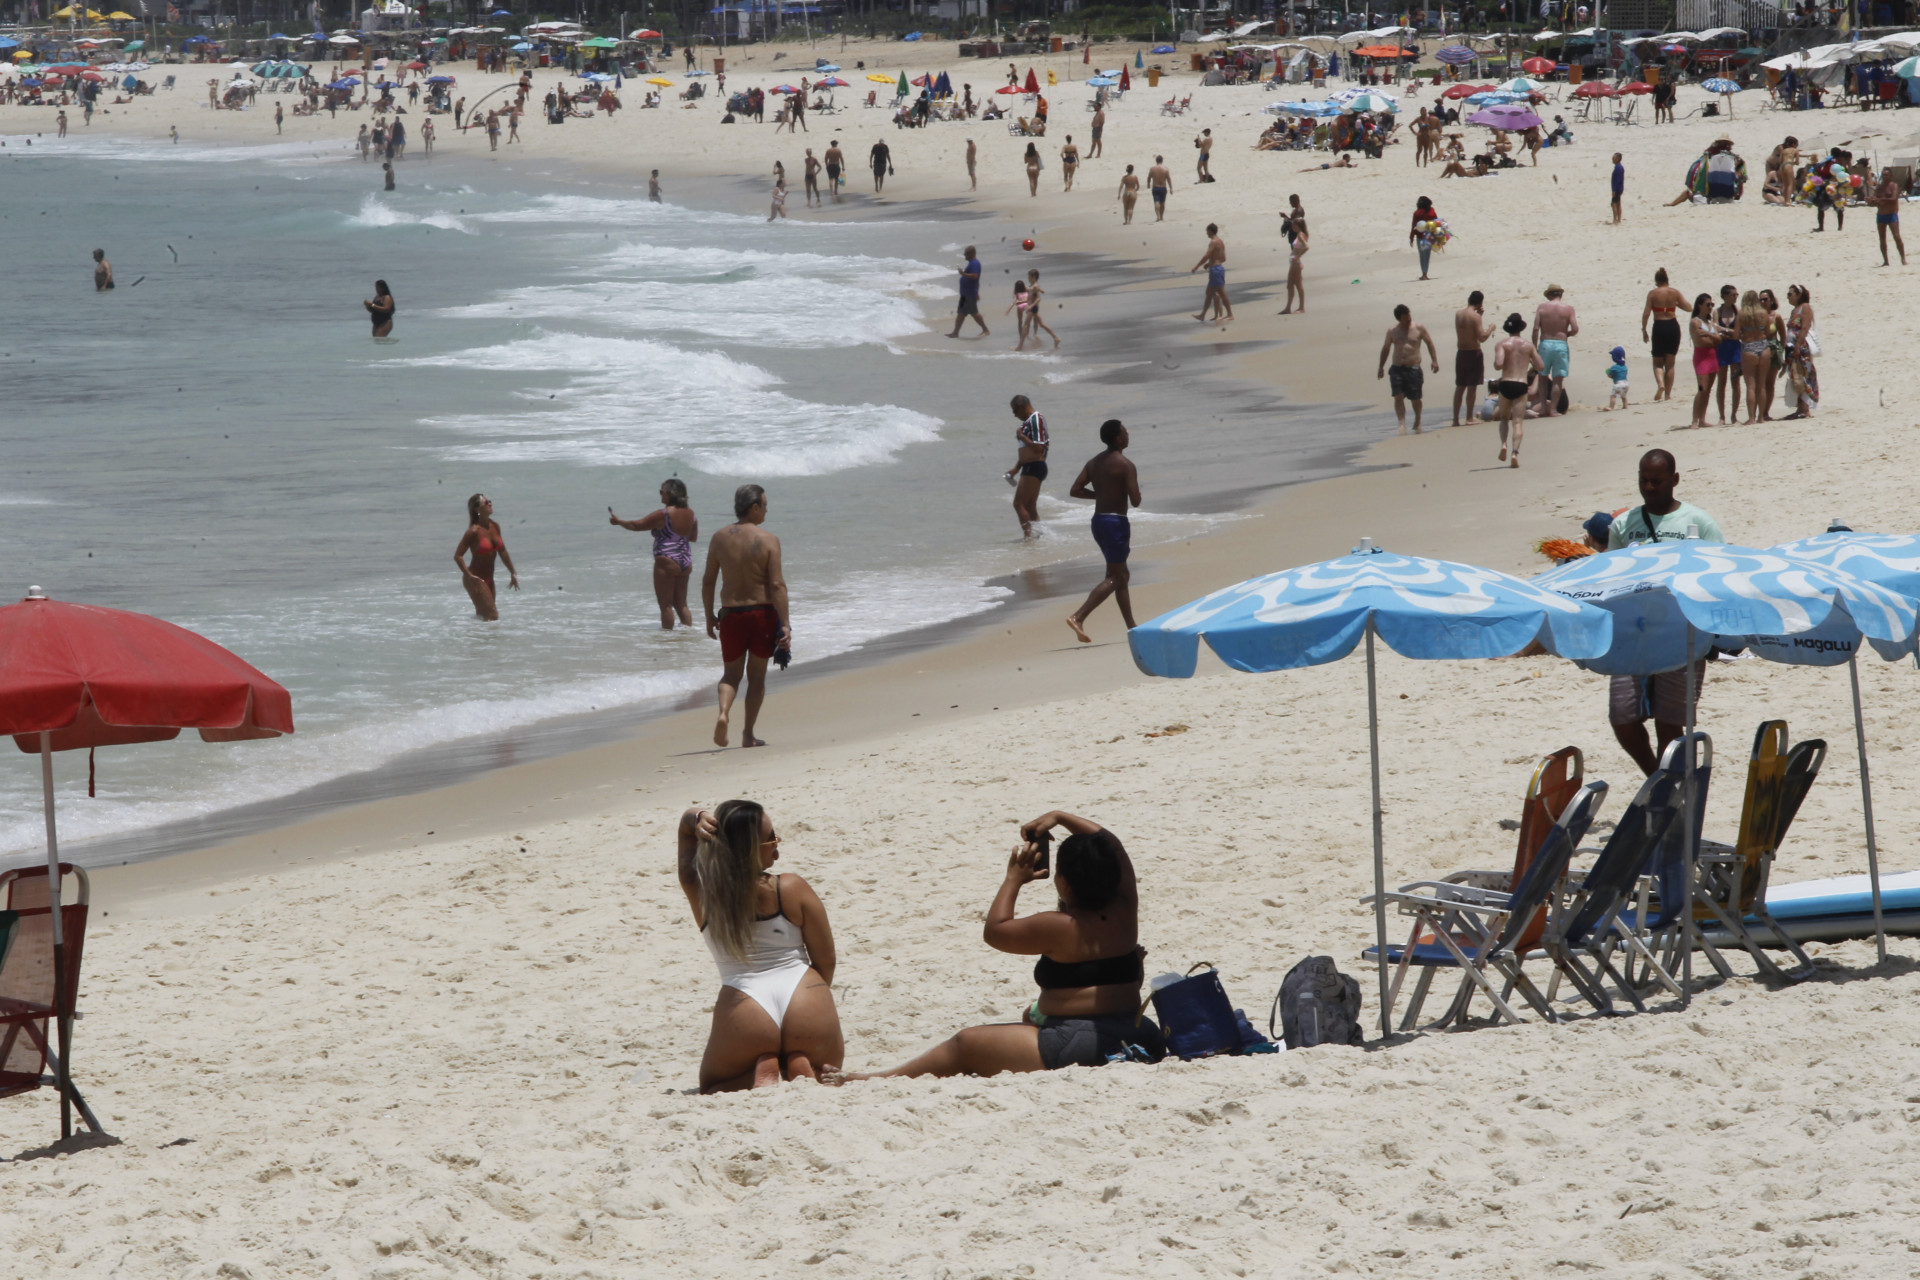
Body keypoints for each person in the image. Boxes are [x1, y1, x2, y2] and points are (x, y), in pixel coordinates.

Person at [830, 812, 1163, 1080]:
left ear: (1063, 881)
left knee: (966, 1043)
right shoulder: (1125, 907)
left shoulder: (1059, 925)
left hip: (1080, 1044)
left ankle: (876, 1078)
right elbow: (1111, 844)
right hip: (1137, 1032)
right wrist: (1060, 817)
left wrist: (1013, 880)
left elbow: (996, 931)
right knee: (1026, 1017)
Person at [676, 800, 842, 1091]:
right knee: (824, 1074)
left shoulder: (703, 893)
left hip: (745, 1003)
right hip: (803, 995)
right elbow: (826, 959)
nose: (778, 841)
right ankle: (799, 1064)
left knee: (715, 1085)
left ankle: (762, 1070)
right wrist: (814, 999)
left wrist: (696, 817)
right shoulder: (790, 888)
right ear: (749, 848)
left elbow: (686, 834)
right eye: (769, 837)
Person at [1605, 449, 1723, 775]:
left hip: (1680, 634)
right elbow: (1609, 578)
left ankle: (1671, 789)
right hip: (1633, 635)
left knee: (1670, 726)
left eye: (1657, 481)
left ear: (1675, 480)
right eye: (1643, 481)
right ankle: (1656, 777)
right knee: (1623, 717)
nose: (1649, 487)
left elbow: (1720, 576)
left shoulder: (1699, 522)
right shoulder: (1624, 524)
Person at [702, 484, 789, 749]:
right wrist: (784, 624)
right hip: (761, 615)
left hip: (731, 616)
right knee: (757, 677)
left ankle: (723, 713)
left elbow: (708, 582)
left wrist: (708, 616)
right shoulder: (768, 539)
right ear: (754, 507)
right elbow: (776, 586)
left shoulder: (719, 538)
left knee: (730, 675)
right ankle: (748, 734)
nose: (766, 509)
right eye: (764, 504)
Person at [1064, 420, 1140, 643]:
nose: (1128, 435)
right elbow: (1136, 501)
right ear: (1118, 439)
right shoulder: (1126, 465)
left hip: (1098, 521)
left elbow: (1075, 490)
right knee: (1116, 577)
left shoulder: (1093, 463)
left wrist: (1102, 495)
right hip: (1116, 523)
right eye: (1125, 432)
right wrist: (1120, 491)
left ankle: (1132, 627)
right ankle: (1078, 617)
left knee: (1122, 575)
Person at [612, 479, 699, 629]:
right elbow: (693, 538)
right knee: (682, 605)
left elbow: (636, 526)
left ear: (670, 494)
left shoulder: (664, 514)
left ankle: (667, 642)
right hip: (685, 560)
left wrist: (619, 522)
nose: (660, 494)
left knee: (666, 605)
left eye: (662, 491)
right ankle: (686, 639)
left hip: (666, 560)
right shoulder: (692, 515)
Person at [454, 493, 519, 621]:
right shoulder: (473, 532)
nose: (490, 504)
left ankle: (478, 638)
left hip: (489, 578)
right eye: (486, 503)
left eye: (490, 501)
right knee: (492, 616)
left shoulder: (495, 526)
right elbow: (458, 556)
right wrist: (468, 575)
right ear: (477, 509)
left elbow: (503, 551)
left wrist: (513, 572)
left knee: (485, 618)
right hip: (475, 579)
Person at [1377, 303, 1440, 434]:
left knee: (1415, 398)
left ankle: (1417, 421)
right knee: (1398, 396)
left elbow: (1429, 343)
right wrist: (1381, 367)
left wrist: (1434, 360)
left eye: (1409, 316)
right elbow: (1386, 348)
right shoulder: (1392, 331)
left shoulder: (1419, 328)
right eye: (1406, 318)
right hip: (1397, 368)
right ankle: (1402, 423)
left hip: (1413, 368)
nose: (1409, 319)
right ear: (1399, 319)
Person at [1491, 312, 1543, 466]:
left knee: (1504, 419)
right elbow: (1541, 366)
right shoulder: (1528, 345)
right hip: (1521, 383)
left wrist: (1497, 363)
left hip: (1506, 382)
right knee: (1518, 422)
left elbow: (1498, 364)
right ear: (1521, 328)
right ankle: (1515, 453)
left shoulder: (1502, 344)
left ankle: (1503, 445)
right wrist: (1530, 361)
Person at [1005, 394, 1048, 538]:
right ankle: (1038, 537)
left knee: (1018, 504)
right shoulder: (1027, 423)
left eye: (1015, 411)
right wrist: (1016, 468)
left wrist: (1022, 437)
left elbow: (1039, 448)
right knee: (1030, 505)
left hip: (1035, 465)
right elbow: (1026, 451)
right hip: (1029, 465)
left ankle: (1028, 538)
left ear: (1022, 407)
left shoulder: (1036, 419)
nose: (1014, 415)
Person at [1531, 285, 1577, 418]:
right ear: (1560, 295)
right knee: (1558, 379)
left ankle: (1544, 408)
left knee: (1542, 377)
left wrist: (1534, 348)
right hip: (1561, 344)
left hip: (1545, 343)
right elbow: (1575, 328)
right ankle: (1553, 410)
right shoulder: (1568, 309)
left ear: (1549, 295)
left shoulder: (1542, 308)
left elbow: (1535, 329)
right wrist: (1565, 334)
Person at [1641, 268, 1685, 402]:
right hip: (1672, 326)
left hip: (1659, 326)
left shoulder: (1653, 294)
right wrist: (1676, 304)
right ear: (1667, 280)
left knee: (1658, 362)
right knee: (1670, 364)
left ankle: (1661, 385)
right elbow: (1688, 307)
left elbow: (1647, 313)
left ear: (1656, 281)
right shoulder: (1674, 292)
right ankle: (1667, 395)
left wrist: (1644, 329)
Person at [1452, 290, 1492, 426]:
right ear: (1480, 302)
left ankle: (1456, 419)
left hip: (1461, 353)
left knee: (1460, 387)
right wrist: (1491, 328)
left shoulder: (1458, 314)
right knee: (1472, 387)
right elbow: (1482, 337)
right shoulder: (1475, 317)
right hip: (1473, 353)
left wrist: (1479, 315)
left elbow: (1467, 329)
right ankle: (1469, 417)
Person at [1686, 292, 1724, 431]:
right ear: (1700, 305)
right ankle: (1695, 420)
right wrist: (1712, 337)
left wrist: (1709, 334)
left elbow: (1718, 340)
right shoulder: (1695, 322)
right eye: (1708, 305)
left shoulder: (1709, 323)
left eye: (1712, 305)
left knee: (1707, 390)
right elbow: (1701, 342)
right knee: (1702, 389)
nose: (1710, 307)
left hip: (1712, 356)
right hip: (1701, 357)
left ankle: (1702, 419)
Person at [1781, 283, 1818, 419]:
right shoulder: (1795, 310)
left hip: (1801, 346)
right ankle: (1800, 408)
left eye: (1790, 294)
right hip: (1792, 346)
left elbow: (1805, 327)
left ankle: (1804, 409)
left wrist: (1797, 346)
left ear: (1798, 295)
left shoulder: (1805, 308)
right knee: (1796, 376)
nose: (1788, 297)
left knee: (1803, 375)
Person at [1735, 290, 1771, 425]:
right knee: (1761, 385)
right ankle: (1761, 417)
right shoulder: (1763, 313)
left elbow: (1736, 334)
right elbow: (1767, 331)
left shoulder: (1742, 314)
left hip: (1749, 347)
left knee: (1750, 386)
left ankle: (1751, 418)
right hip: (1763, 346)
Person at [1711, 283, 1744, 424]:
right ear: (1725, 296)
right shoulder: (1717, 312)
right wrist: (1730, 332)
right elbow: (1714, 329)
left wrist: (1725, 331)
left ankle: (1734, 415)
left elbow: (1739, 333)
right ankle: (1722, 416)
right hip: (1721, 348)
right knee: (1721, 382)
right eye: (1733, 295)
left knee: (1735, 382)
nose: (1736, 297)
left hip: (1735, 347)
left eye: (1736, 295)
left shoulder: (1738, 312)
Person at [1189, 223, 1230, 324]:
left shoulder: (1213, 242)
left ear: (1210, 231)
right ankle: (1203, 315)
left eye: (1207, 231)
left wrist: (1196, 266)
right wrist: (1210, 263)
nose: (1206, 233)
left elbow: (1206, 256)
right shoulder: (1220, 241)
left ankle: (1229, 314)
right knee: (1209, 293)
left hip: (1216, 270)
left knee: (1220, 293)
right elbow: (1223, 258)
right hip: (1218, 268)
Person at [946, 245, 988, 338]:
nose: (964, 256)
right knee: (960, 313)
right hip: (965, 294)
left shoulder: (975, 263)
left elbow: (975, 276)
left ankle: (985, 330)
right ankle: (955, 333)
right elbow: (976, 280)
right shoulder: (971, 263)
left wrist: (963, 274)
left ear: (971, 254)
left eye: (966, 254)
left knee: (974, 313)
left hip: (969, 293)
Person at [1874, 168, 1907, 266]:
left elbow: (1893, 198)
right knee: (1882, 238)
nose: (1885, 177)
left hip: (1891, 214)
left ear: (1891, 176)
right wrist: (1872, 201)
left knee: (1897, 237)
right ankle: (1886, 261)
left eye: (1887, 175)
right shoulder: (1879, 187)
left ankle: (1903, 258)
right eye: (1883, 175)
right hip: (1881, 215)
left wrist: (1880, 199)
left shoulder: (1894, 186)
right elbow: (1876, 200)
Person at [1024, 269, 1060, 348]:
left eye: (1029, 276)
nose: (1028, 278)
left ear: (1034, 277)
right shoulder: (1032, 286)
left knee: (1026, 325)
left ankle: (1022, 344)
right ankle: (1055, 337)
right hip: (1032, 308)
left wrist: (1031, 306)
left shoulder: (1036, 286)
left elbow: (1038, 299)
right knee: (1041, 324)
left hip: (1033, 308)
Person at [1280, 215, 1308, 315]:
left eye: (1294, 225)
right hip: (1294, 263)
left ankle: (1301, 307)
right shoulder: (1301, 234)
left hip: (1296, 263)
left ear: (1298, 225)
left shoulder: (1300, 235)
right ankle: (1288, 308)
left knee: (1298, 285)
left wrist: (1297, 256)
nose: (1292, 227)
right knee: (1290, 285)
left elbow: (1306, 247)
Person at [1408, 195, 1439, 280]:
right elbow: (1436, 223)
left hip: (1420, 237)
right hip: (1429, 236)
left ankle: (1423, 274)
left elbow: (1414, 226)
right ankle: (1425, 273)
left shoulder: (1417, 213)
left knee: (1422, 256)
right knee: (1427, 256)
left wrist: (1411, 238)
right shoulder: (1432, 212)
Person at [1602, 344, 1630, 411]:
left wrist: (1608, 373)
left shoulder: (1614, 367)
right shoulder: (1625, 367)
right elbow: (1624, 375)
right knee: (1623, 396)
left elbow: (1610, 375)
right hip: (1626, 384)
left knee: (1613, 396)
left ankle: (1611, 407)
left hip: (1618, 384)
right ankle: (1625, 406)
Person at [1147, 155, 1171, 221]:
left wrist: (1148, 184)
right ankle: (1162, 216)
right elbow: (1168, 179)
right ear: (1162, 161)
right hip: (1163, 188)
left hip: (1156, 187)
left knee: (1156, 202)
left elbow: (1149, 177)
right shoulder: (1166, 169)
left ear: (1156, 161)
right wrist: (1171, 188)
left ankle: (1158, 216)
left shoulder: (1152, 169)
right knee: (1162, 203)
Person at [1610, 151, 1624, 224]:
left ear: (1618, 159)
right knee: (1618, 203)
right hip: (1619, 188)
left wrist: (1614, 191)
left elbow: (1618, 180)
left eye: (1614, 158)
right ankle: (1618, 219)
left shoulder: (1618, 167)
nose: (1612, 159)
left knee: (1614, 204)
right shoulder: (1619, 167)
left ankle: (1615, 219)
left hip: (1617, 189)